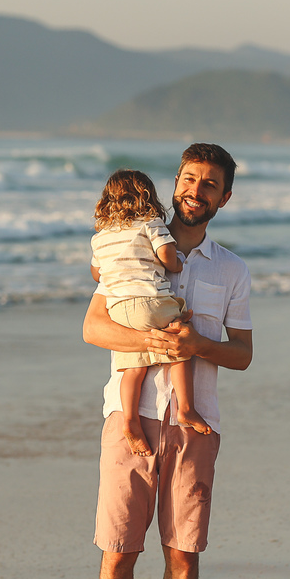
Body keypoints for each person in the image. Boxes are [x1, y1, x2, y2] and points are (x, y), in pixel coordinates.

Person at [79, 144, 253, 579]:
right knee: (119, 548)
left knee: (183, 549)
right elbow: (93, 328)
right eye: (188, 179)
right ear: (174, 183)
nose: (195, 191)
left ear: (225, 197)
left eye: (209, 184)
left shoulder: (231, 270)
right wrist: (153, 341)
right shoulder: (131, 239)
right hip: (127, 415)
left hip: (195, 423)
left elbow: (243, 353)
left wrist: (198, 343)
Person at [90, 168, 211, 457]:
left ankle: (130, 421)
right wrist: (176, 265)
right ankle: (186, 408)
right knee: (178, 344)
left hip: (119, 309)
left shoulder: (101, 237)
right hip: (150, 300)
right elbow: (167, 255)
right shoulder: (150, 222)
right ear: (147, 197)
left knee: (133, 369)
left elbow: (96, 273)